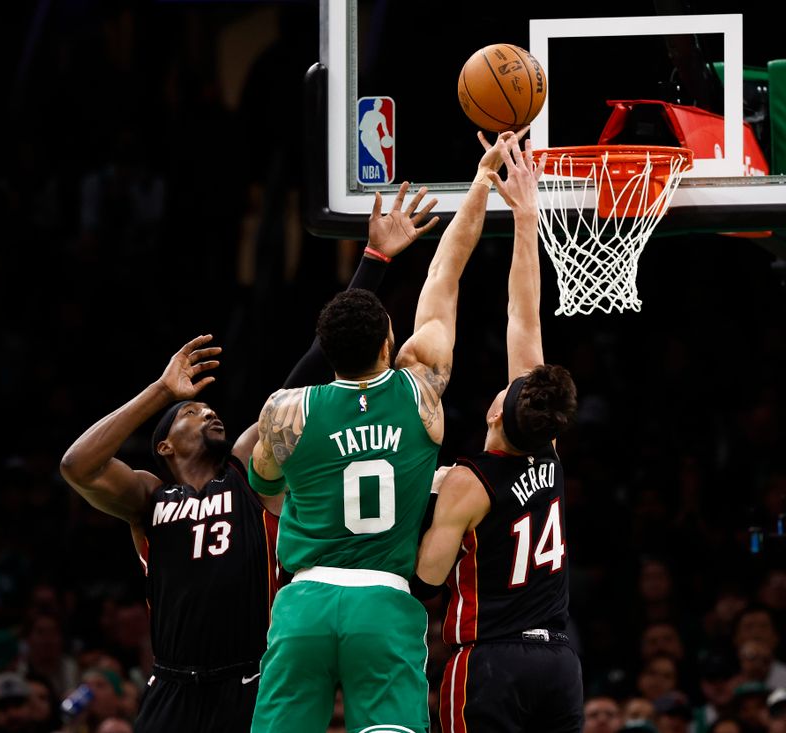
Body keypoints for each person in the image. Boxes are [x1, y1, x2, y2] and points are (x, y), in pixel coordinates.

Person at [58, 183, 439, 733]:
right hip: (171, 683)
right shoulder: (149, 497)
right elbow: (77, 465)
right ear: (163, 446)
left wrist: (374, 262)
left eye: (209, 409)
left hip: (249, 680)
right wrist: (164, 392)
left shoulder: (243, 474)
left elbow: (305, 377)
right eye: (192, 415)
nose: (207, 414)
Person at [249, 130, 516, 733]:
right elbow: (446, 275)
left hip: (304, 602)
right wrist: (479, 182)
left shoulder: (286, 412)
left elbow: (264, 484)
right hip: (385, 601)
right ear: (391, 342)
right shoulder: (420, 389)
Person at [413, 134, 582, 733]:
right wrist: (528, 217)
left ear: (493, 413)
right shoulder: (549, 450)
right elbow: (524, 315)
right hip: (559, 661)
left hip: (491, 660)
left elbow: (425, 582)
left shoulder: (468, 483)